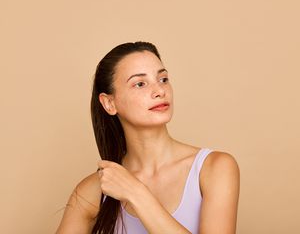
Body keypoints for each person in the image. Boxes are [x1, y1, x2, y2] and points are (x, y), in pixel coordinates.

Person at [55, 41, 240, 234]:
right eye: (140, 84)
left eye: (163, 79)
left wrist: (136, 193)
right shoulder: (95, 189)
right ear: (109, 103)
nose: (160, 91)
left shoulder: (215, 167)